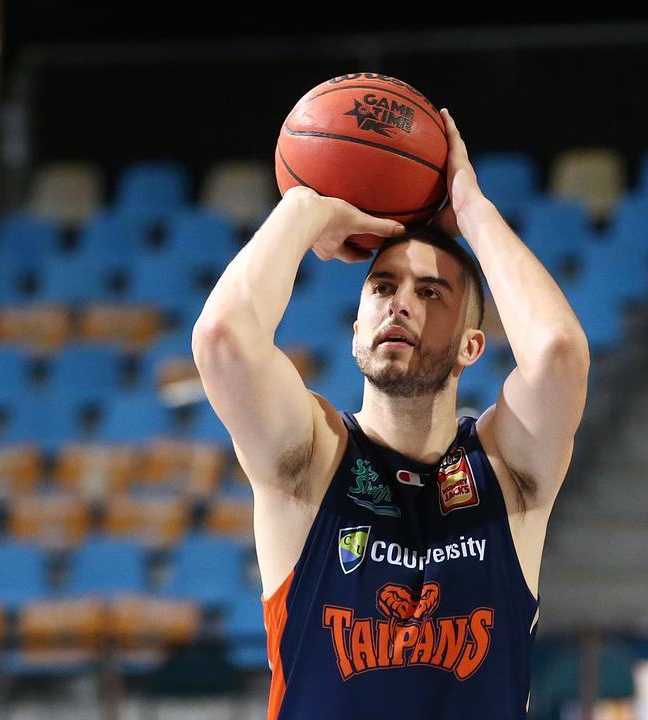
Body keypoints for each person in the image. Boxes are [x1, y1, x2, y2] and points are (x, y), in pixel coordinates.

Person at [192, 108, 589, 719]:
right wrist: (306, 208)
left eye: (430, 293)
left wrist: (475, 217)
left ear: (471, 346)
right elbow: (222, 339)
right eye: (382, 288)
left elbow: (558, 353)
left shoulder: (505, 471)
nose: (400, 305)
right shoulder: (314, 460)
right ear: (356, 333)